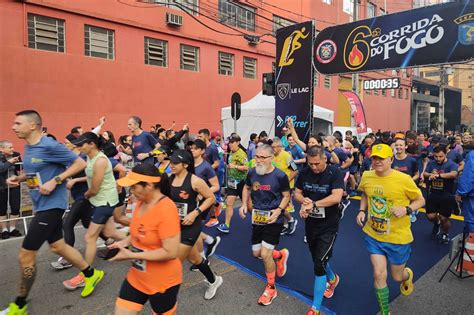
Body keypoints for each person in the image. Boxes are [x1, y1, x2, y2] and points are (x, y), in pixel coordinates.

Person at [1, 110, 104, 315]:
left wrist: (56, 180)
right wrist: (20, 179)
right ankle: (91, 274)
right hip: (41, 204)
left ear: (33, 125)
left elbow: (80, 163)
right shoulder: (29, 147)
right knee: (58, 248)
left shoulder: (49, 145)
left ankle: (19, 305)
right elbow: (35, 171)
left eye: (17, 123)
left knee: (25, 255)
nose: (13, 126)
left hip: (51, 206)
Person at [356, 144, 425, 315]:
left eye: (381, 158)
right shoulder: (367, 175)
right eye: (374, 158)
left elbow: (420, 200)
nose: (377, 161)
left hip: (397, 238)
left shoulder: (403, 179)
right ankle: (385, 312)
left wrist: (407, 209)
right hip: (374, 235)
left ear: (391, 159)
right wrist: (362, 210)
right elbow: (365, 193)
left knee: (396, 277)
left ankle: (406, 276)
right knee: (379, 274)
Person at [108, 164, 182, 315]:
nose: (131, 190)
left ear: (148, 186)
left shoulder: (166, 209)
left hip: (162, 282)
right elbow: (138, 231)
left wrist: (132, 255)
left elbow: (171, 252)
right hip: (137, 277)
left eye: (134, 187)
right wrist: (124, 242)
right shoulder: (141, 202)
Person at [63, 132, 125, 290]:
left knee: (90, 237)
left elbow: (95, 188)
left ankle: (88, 274)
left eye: (82, 144)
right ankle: (140, 244)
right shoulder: (90, 157)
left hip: (104, 201)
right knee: (110, 232)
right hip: (98, 200)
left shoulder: (100, 160)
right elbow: (91, 177)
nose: (79, 147)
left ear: (92, 144)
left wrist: (86, 194)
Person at [294, 146, 344, 315]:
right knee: (317, 258)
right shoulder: (305, 172)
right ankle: (333, 279)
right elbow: (297, 193)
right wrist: (304, 201)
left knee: (318, 264)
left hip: (329, 225)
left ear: (325, 159)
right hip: (311, 224)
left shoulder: (334, 173)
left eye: (317, 163)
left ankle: (315, 307)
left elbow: (336, 197)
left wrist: (313, 204)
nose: (314, 167)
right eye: (311, 163)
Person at [239, 144, 290, 306]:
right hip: (257, 217)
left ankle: (271, 288)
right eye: (256, 157)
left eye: (262, 157)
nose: (258, 160)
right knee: (257, 253)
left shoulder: (280, 176)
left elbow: (286, 195)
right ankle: (280, 255)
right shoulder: (252, 172)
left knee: (265, 255)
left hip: (274, 219)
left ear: (271, 158)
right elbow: (246, 188)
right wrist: (243, 204)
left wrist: (279, 210)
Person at [168, 149, 223, 299]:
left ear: (185, 164)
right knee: (195, 259)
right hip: (175, 225)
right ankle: (214, 280)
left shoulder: (195, 181)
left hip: (191, 227)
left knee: (173, 263)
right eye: (171, 162)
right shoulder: (169, 179)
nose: (171, 165)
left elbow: (211, 198)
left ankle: (164, 298)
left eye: (175, 163)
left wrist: (195, 212)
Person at [423, 146, 459, 244]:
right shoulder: (431, 163)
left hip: (446, 195)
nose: (438, 159)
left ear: (445, 154)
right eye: (436, 157)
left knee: (444, 218)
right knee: (430, 216)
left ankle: (445, 234)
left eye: (440, 156)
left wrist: (438, 175)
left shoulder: (451, 164)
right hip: (433, 193)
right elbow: (425, 173)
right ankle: (437, 223)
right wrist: (430, 174)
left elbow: (453, 174)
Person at [217, 135, 248, 234]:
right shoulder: (231, 152)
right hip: (232, 182)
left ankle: (259, 221)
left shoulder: (241, 154)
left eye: (232, 142)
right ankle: (226, 225)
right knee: (229, 202)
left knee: (249, 205)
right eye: (229, 142)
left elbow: (247, 167)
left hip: (242, 183)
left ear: (238, 142)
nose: (230, 144)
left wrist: (235, 166)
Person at [271, 137, 298, 235]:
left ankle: (291, 220)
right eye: (271, 147)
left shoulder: (287, 156)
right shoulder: (272, 156)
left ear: (280, 147)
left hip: (286, 186)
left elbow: (295, 170)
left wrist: (286, 181)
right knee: (276, 205)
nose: (272, 149)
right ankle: (285, 225)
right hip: (275, 185)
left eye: (274, 147)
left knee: (281, 206)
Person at [0, 140, 22, 239]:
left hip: (15, 185)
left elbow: (20, 168)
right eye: (10, 147)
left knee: (15, 207)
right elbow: (1, 169)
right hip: (2, 187)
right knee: (2, 209)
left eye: (12, 147)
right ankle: (4, 230)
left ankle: (12, 228)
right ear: (2, 149)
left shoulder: (16, 154)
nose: (12, 149)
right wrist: (9, 162)